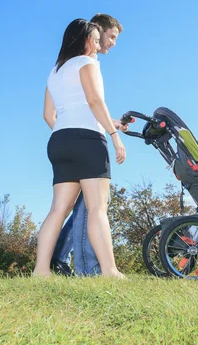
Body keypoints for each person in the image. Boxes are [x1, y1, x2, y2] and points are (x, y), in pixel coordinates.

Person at [33, 18, 127, 279]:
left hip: (60, 140)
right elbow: (95, 100)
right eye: (96, 41)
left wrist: (70, 133)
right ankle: (110, 271)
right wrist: (114, 136)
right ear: (85, 40)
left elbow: (47, 114)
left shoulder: (55, 71)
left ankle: (40, 271)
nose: (98, 47)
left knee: (58, 210)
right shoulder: (88, 63)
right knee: (97, 209)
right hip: (88, 141)